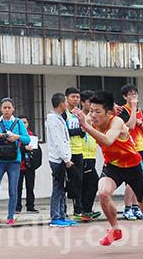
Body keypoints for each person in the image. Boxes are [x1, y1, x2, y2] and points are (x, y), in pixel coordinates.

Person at [72, 91, 143, 248]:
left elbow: (107, 141)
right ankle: (115, 229)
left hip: (133, 168)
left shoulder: (117, 122)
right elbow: (87, 114)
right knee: (103, 193)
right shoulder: (91, 118)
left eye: (97, 112)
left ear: (108, 113)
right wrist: (85, 117)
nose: (92, 115)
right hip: (113, 166)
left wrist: (85, 125)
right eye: (91, 111)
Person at [0, 98, 30, 226]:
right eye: (4, 108)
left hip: (14, 161)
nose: (7, 110)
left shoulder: (18, 123)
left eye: (9, 107)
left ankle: (10, 216)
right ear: (1, 109)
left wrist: (17, 137)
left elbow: (27, 140)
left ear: (13, 109)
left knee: (13, 190)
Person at [46, 93, 76, 227]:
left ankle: (62, 215)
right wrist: (66, 159)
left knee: (63, 188)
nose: (67, 103)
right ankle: (55, 217)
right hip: (58, 160)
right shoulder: (53, 120)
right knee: (57, 188)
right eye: (65, 101)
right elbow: (58, 141)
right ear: (60, 104)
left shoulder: (59, 118)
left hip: (63, 159)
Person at [119, 84, 143, 221]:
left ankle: (136, 207)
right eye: (130, 94)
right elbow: (129, 126)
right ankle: (127, 208)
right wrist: (134, 109)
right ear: (125, 97)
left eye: (135, 93)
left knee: (139, 179)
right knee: (130, 180)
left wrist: (142, 124)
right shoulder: (123, 110)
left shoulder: (141, 111)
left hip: (141, 148)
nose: (133, 96)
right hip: (129, 148)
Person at [62, 87, 87, 221]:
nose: (76, 99)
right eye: (73, 97)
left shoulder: (79, 113)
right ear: (66, 98)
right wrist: (79, 130)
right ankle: (63, 210)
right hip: (67, 152)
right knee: (66, 181)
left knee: (79, 181)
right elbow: (64, 131)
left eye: (78, 97)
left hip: (79, 151)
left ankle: (78, 210)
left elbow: (84, 131)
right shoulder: (64, 113)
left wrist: (81, 129)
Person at [80, 90, 101, 220]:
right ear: (83, 103)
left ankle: (86, 210)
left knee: (88, 183)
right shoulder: (81, 116)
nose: (92, 105)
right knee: (93, 182)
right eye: (89, 102)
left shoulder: (94, 117)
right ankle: (85, 210)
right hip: (83, 155)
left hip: (91, 155)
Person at [16, 115, 40, 214]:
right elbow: (13, 150)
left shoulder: (32, 135)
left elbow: (37, 151)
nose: (23, 124)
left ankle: (30, 206)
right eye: (21, 122)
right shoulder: (15, 136)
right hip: (18, 166)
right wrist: (23, 149)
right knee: (17, 188)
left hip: (29, 165)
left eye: (25, 122)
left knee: (30, 186)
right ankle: (17, 207)